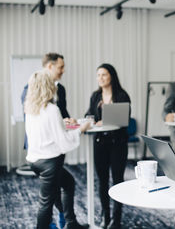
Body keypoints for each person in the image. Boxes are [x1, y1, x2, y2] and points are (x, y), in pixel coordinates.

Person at [24, 70, 90, 229]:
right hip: (49, 163)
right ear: (48, 86)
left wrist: (63, 124)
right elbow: (64, 142)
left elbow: (46, 130)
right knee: (45, 202)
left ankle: (71, 223)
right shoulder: (52, 109)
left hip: (35, 161)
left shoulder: (31, 108)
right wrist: (81, 129)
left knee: (68, 183)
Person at [20, 52, 76, 228]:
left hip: (45, 154)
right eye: (61, 67)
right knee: (47, 200)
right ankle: (60, 221)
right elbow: (42, 123)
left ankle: (67, 221)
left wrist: (65, 121)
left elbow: (60, 115)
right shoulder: (31, 94)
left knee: (65, 184)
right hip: (45, 153)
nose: (63, 71)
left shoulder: (56, 95)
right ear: (50, 67)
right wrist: (77, 130)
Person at [85, 63, 131, 229]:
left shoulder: (122, 95)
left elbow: (125, 119)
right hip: (100, 143)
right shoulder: (95, 96)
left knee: (118, 181)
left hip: (118, 144)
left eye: (103, 74)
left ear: (111, 75)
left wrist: (109, 120)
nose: (100, 78)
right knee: (102, 181)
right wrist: (90, 120)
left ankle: (116, 219)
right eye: (98, 75)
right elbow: (89, 114)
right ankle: (106, 215)